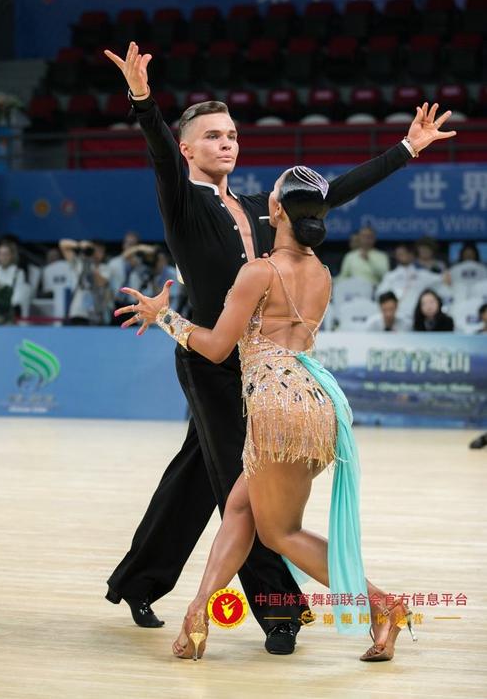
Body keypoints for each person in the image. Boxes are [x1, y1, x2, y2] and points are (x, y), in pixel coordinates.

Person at [103, 40, 456, 653]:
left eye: (233, 134)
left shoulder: (256, 209)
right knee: (240, 490)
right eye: (213, 136)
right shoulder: (183, 202)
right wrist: (142, 100)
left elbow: (329, 193)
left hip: (260, 372)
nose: (227, 143)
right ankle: (281, 613)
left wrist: (405, 150)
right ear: (188, 149)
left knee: (200, 476)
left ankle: (141, 581)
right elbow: (159, 150)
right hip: (212, 362)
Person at [115, 167, 419, 663]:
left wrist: (164, 317)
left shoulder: (259, 271)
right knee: (240, 509)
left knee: (281, 533)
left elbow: (216, 348)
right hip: (317, 403)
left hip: (278, 411)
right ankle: (198, 615)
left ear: (276, 211)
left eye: (271, 196)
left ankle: (383, 607)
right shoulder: (321, 272)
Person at [59, 238, 113, 325]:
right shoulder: (79, 263)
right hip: (79, 312)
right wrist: (79, 245)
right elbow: (63, 244)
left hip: (97, 313)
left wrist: (90, 264)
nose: (97, 254)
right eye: (95, 250)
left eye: (100, 251)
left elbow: (100, 283)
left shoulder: (105, 268)